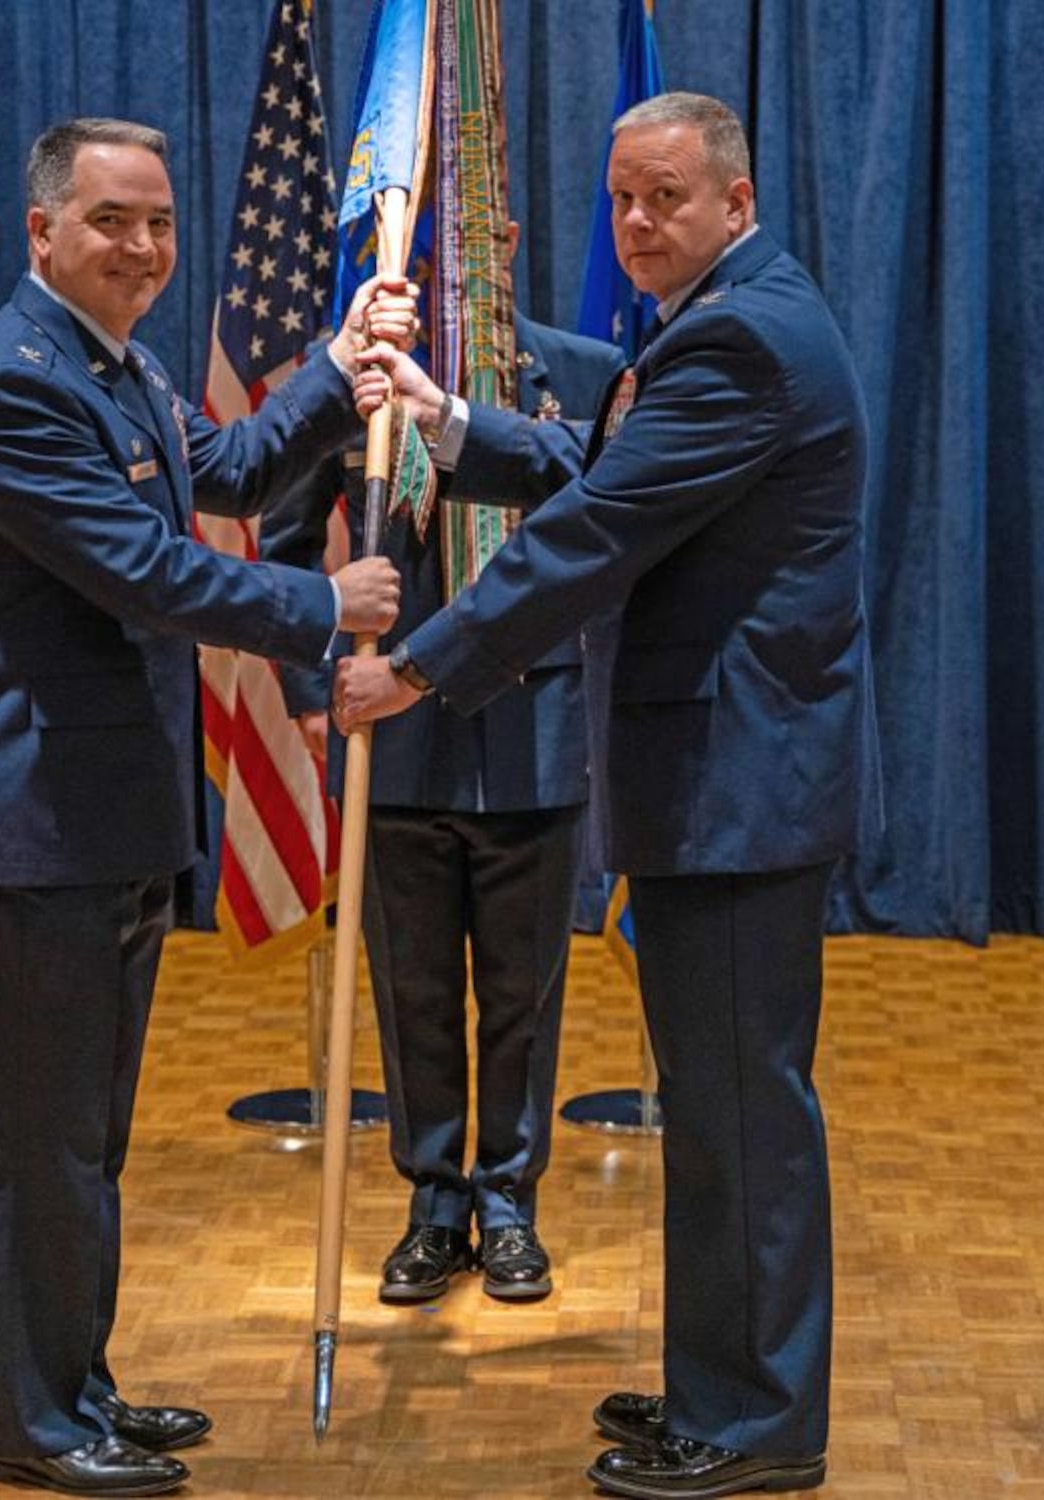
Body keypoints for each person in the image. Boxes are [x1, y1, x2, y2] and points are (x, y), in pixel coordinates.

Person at [334, 92, 874, 1500]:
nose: (638, 224)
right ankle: (720, 1385)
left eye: (668, 200)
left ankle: (757, 1427)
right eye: (623, 198)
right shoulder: (718, 317)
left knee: (743, 1115)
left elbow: (593, 533)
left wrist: (424, 668)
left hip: (737, 783)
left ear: (736, 200)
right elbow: (603, 469)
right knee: (713, 1109)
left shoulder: (741, 335)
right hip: (720, 779)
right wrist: (452, 423)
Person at [0, 117, 408, 1498]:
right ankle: (28, 1421)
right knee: (43, 1138)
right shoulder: (17, 387)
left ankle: (68, 1382)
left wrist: (343, 358)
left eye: (159, 224)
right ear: (43, 232)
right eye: (113, 221)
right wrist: (328, 605)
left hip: (101, 818)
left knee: (82, 1137)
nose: (142, 249)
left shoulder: (105, 371)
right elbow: (150, 573)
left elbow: (230, 472)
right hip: (34, 821)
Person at [260, 251, 623, 1306]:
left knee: (522, 988)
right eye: (425, 259)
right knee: (412, 986)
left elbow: (608, 528)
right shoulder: (360, 379)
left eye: (472, 245)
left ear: (505, 241)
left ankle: (508, 1200)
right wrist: (311, 690)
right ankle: (432, 1201)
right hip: (391, 732)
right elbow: (288, 540)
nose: (454, 270)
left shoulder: (583, 373)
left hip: (535, 723)